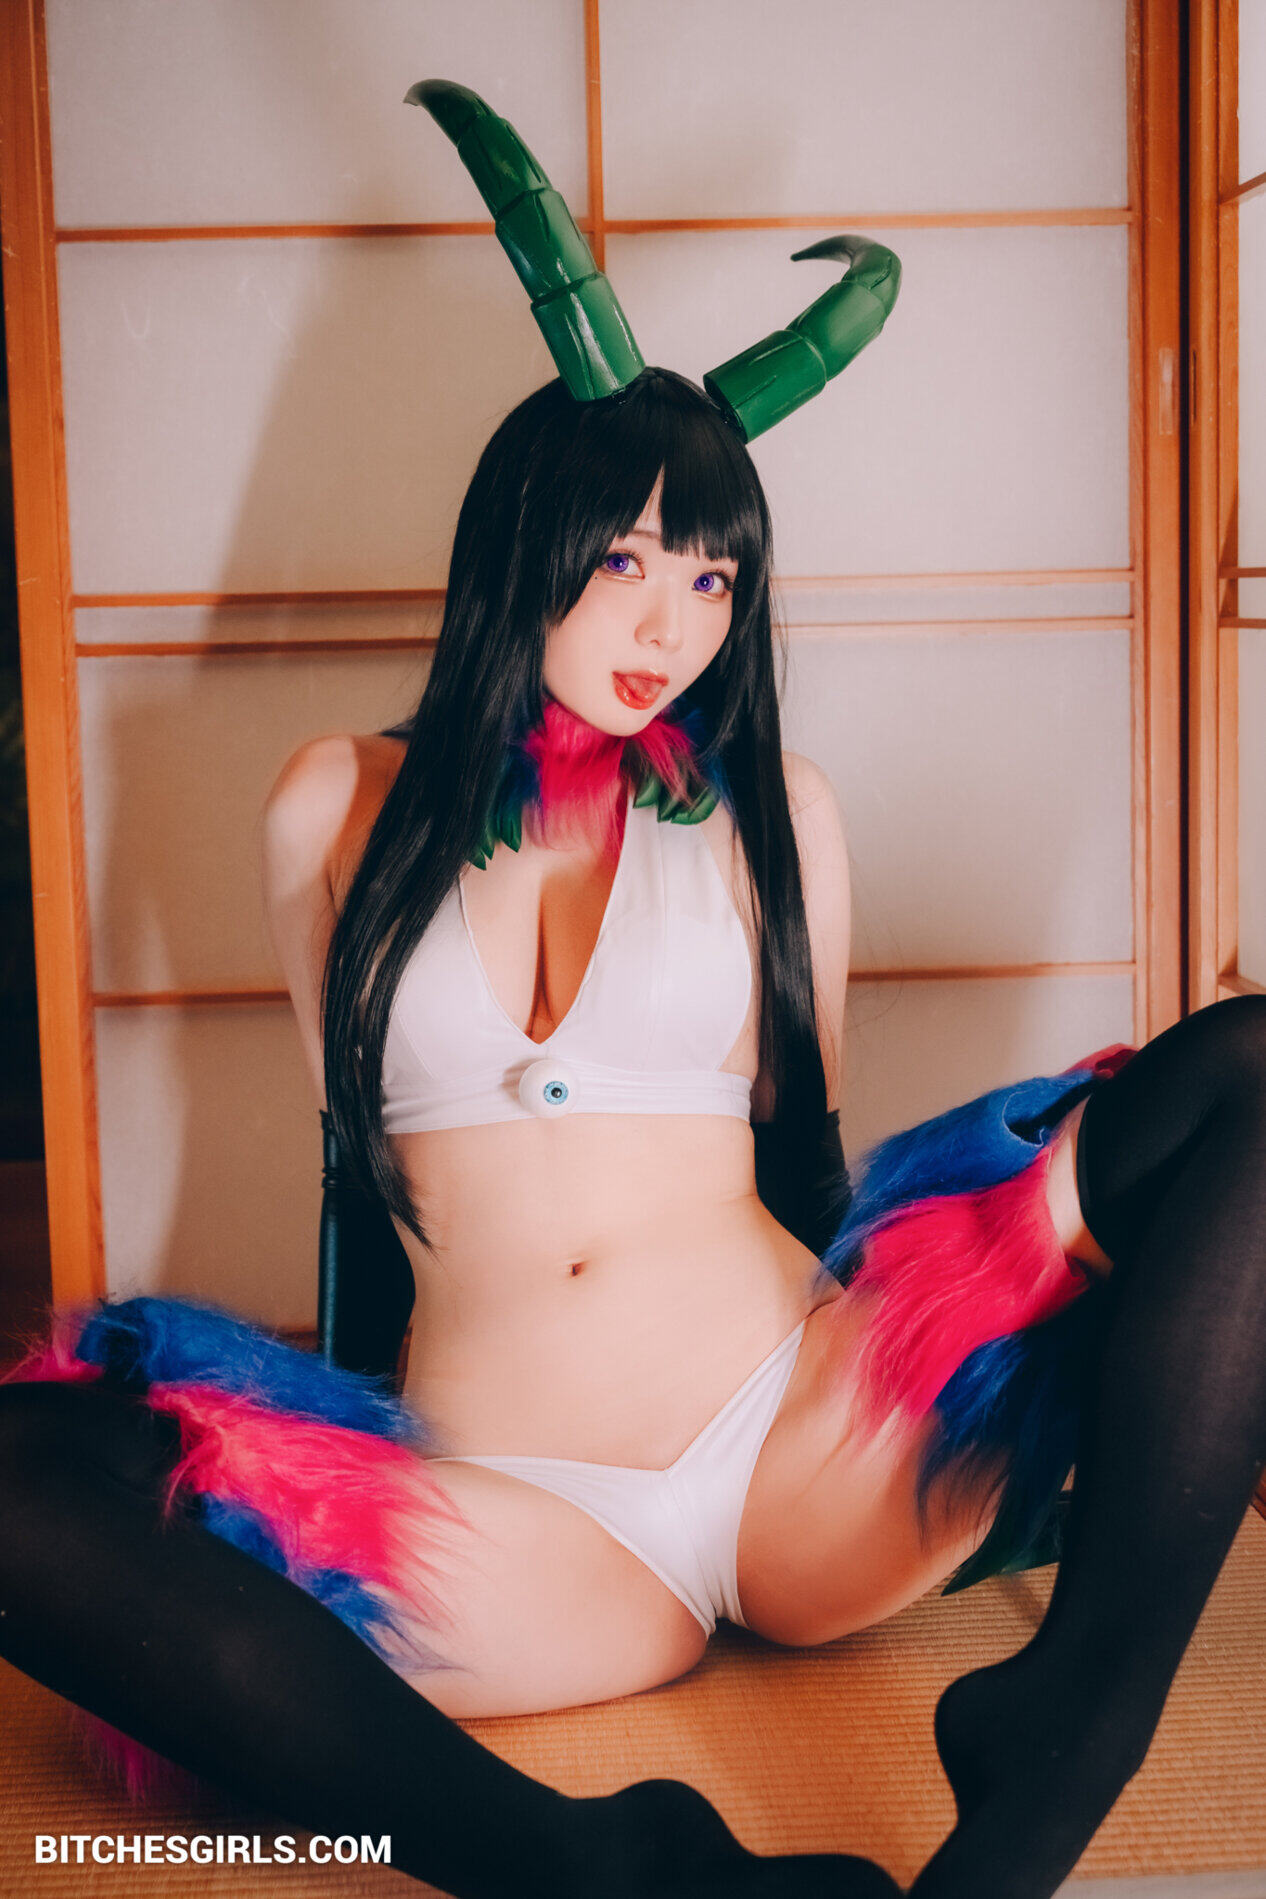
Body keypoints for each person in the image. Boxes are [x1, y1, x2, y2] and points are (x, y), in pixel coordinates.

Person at [2, 80, 1265, 1899]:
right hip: (525, 1518)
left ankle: (1060, 1741)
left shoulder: (774, 814)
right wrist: (294, 1436)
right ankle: (601, 1869)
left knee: (1251, 1071)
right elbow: (365, 1165)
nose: (669, 624)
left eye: (712, 578)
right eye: (621, 563)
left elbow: (808, 1151)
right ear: (522, 547)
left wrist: (1049, 1343)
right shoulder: (331, 805)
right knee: (22, 1469)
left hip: (807, 1442)